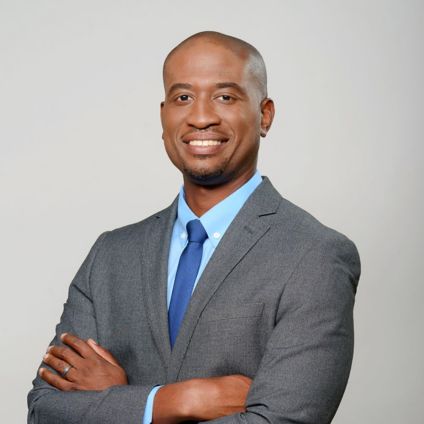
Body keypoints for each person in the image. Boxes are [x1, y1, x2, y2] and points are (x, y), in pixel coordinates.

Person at [27, 31, 360, 424]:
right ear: (164, 115)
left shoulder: (315, 256)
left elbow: (282, 421)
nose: (201, 117)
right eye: (183, 97)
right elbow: (45, 412)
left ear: (265, 115)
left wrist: (119, 404)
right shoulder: (110, 255)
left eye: (225, 97)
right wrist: (174, 401)